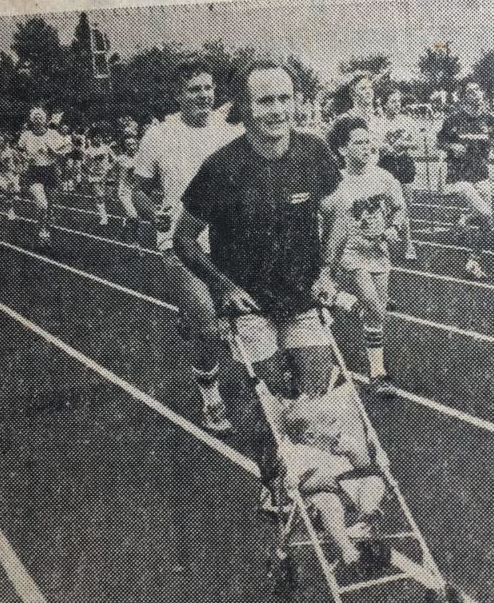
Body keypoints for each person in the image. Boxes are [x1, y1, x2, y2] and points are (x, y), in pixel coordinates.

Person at [172, 57, 343, 503]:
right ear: (245, 108)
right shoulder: (222, 167)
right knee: (268, 402)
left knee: (316, 398)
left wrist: (327, 270)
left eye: (285, 99)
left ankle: (312, 480)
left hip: (303, 298)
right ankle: (272, 480)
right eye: (265, 101)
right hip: (249, 306)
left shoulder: (314, 152)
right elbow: (184, 239)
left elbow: (338, 213)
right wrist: (222, 286)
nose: (277, 110)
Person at [132, 58, 244, 432]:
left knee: (243, 316)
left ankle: (190, 316)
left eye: (208, 88)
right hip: (180, 243)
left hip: (228, 242)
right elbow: (139, 189)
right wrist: (153, 214)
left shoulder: (227, 132)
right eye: (195, 89)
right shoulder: (159, 136)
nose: (204, 95)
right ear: (179, 94)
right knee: (210, 330)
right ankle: (210, 396)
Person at [325, 116, 407, 397]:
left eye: (368, 142)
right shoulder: (334, 182)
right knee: (372, 302)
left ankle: (376, 372)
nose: (365, 147)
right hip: (348, 253)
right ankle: (379, 372)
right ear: (342, 150)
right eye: (358, 143)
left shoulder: (382, 177)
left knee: (377, 311)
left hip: (378, 252)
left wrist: (395, 228)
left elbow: (399, 208)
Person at [278, 388, 387, 568]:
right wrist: (315, 482)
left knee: (374, 481)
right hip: (322, 497)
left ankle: (366, 516)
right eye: (328, 422)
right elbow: (295, 484)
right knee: (329, 503)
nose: (336, 423)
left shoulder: (342, 442)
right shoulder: (300, 453)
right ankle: (346, 548)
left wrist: (353, 452)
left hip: (352, 489)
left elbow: (365, 467)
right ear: (310, 436)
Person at [436, 81, 494, 280]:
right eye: (470, 91)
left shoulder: (489, 120)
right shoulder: (454, 120)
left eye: (477, 89)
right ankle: (471, 260)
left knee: (488, 222)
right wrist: (451, 147)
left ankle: (466, 225)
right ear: (464, 97)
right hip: (459, 177)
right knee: (483, 212)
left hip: (481, 175)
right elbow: (439, 142)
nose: (475, 93)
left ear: (482, 94)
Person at [17, 107, 69, 249]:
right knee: (42, 204)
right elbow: (19, 152)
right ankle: (42, 233)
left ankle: (44, 230)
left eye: (41, 117)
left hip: (50, 170)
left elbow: (65, 150)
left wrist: (54, 152)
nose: (38, 119)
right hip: (34, 172)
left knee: (49, 207)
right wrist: (27, 158)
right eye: (36, 117)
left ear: (45, 119)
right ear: (32, 119)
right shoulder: (26, 135)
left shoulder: (52, 133)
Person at [376, 89, 418, 261]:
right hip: (387, 165)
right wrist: (385, 147)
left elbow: (415, 143)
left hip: (404, 163)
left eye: (398, 101)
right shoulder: (378, 123)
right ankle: (402, 243)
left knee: (406, 206)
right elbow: (377, 145)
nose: (397, 104)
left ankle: (407, 242)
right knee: (388, 206)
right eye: (393, 101)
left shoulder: (407, 121)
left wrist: (404, 144)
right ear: (385, 103)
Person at [82, 128, 114, 226]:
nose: (98, 139)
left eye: (99, 137)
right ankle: (103, 217)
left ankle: (105, 211)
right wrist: (89, 172)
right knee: (99, 195)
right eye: (95, 138)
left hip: (106, 175)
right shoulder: (88, 151)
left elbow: (114, 159)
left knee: (108, 196)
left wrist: (109, 167)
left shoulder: (106, 148)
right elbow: (83, 164)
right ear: (91, 139)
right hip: (94, 176)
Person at [114, 134, 140, 244]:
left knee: (132, 216)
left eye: (133, 143)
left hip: (137, 191)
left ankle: (122, 233)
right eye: (128, 144)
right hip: (125, 191)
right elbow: (122, 178)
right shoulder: (122, 159)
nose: (131, 146)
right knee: (134, 216)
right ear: (125, 146)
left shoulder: (140, 157)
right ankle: (135, 241)